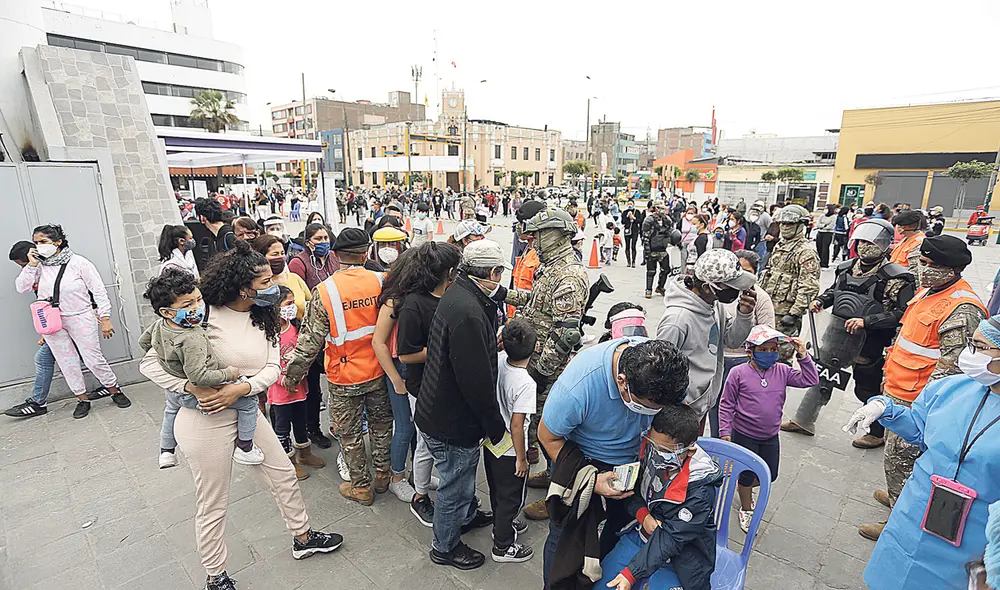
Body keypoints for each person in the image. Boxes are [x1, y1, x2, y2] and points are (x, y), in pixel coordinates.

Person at [138, 242, 343, 589]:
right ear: (241, 285)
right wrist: (190, 388)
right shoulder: (201, 314)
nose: (273, 285)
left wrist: (242, 389)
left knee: (284, 475)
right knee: (213, 502)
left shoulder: (265, 317)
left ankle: (303, 538)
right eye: (264, 281)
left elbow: (272, 367)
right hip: (204, 420)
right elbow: (148, 364)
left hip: (246, 411)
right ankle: (215, 576)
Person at [843, 319, 1000, 590]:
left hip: (972, 536)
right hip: (915, 511)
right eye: (970, 344)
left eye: (980, 347)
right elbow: (920, 427)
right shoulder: (952, 389)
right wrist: (884, 408)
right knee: (889, 576)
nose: (969, 353)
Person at [859, 234, 987, 541]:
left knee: (903, 459)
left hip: (918, 402)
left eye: (929, 264)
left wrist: (926, 408)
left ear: (950, 269)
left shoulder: (962, 308)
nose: (922, 268)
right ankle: (895, 497)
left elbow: (953, 369)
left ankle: (900, 520)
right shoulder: (928, 292)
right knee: (894, 457)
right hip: (898, 390)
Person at [538, 339, 690, 585]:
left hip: (631, 464)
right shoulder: (578, 387)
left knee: (616, 529)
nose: (648, 415)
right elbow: (547, 436)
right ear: (622, 382)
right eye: (646, 407)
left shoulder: (664, 373)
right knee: (566, 536)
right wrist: (590, 479)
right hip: (581, 461)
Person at [414, 240, 510, 570]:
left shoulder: (461, 293)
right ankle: (445, 546)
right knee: (455, 486)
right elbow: (476, 381)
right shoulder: (467, 311)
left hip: (437, 409)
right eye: (499, 273)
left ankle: (465, 516)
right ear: (493, 272)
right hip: (451, 420)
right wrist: (494, 425)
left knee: (460, 481)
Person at [781, 218, 915, 448]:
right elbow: (836, 291)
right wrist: (821, 300)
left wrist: (867, 321)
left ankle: (876, 432)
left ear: (883, 244)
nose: (864, 246)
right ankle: (804, 420)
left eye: (870, 242)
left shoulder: (897, 277)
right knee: (823, 376)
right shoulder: (845, 268)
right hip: (837, 334)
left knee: (868, 386)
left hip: (871, 341)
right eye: (861, 241)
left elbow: (903, 313)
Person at [283, 227, 393, 506]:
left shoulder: (325, 291)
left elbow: (309, 342)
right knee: (381, 425)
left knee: (350, 433)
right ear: (366, 252)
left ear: (335, 254)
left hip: (344, 375)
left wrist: (292, 377)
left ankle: (361, 487)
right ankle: (383, 475)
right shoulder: (383, 281)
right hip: (380, 370)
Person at [498, 208, 589, 519]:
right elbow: (538, 303)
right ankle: (552, 477)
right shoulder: (550, 268)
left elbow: (567, 334)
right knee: (541, 427)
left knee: (552, 430)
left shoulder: (568, 275)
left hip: (550, 369)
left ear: (558, 234)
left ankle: (558, 495)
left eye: (539, 234)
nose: (533, 241)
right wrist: (502, 294)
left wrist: (539, 373)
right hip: (537, 361)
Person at [139, 268, 263, 469]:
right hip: (197, 393)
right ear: (167, 311)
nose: (198, 307)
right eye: (188, 304)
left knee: (170, 410)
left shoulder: (161, 324)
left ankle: (167, 452)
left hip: (174, 391)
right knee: (249, 403)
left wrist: (167, 356)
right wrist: (229, 373)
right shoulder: (192, 337)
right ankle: (246, 448)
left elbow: (144, 342)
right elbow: (199, 377)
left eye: (198, 300)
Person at [598, 404, 721, 590]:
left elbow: (672, 539)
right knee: (603, 584)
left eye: (665, 451)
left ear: (690, 451)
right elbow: (633, 492)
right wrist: (643, 516)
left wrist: (631, 574)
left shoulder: (701, 492)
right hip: (641, 535)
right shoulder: (648, 454)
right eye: (653, 445)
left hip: (682, 557)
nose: (656, 454)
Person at [14, 225, 130, 419]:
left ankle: (114, 390)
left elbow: (99, 290)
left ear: (57, 242)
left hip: (80, 316)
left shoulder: (79, 263)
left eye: (43, 241)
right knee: (67, 362)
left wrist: (105, 318)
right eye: (36, 242)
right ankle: (82, 399)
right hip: (52, 321)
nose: (39, 246)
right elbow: (22, 288)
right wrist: (31, 265)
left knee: (93, 358)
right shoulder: (38, 266)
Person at [719, 326, 817, 532]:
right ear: (750, 351)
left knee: (770, 474)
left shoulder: (782, 371)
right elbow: (726, 404)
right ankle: (746, 507)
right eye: (763, 350)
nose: (770, 354)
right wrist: (725, 433)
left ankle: (742, 486)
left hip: (770, 435)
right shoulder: (738, 373)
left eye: (773, 349)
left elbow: (810, 380)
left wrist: (803, 355)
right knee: (747, 474)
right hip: (744, 435)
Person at [395, 242, 460, 526]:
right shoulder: (414, 305)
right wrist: (443, 349)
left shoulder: (452, 295)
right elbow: (406, 353)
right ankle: (420, 496)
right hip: (423, 387)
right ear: (445, 272)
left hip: (449, 384)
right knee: (424, 442)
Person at [655, 249, 757, 425]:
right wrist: (674, 403)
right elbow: (658, 370)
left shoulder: (714, 305)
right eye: (731, 286)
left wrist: (744, 315)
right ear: (707, 287)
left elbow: (732, 340)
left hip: (701, 405)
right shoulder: (677, 320)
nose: (737, 291)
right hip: (680, 411)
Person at [707, 249, 775, 437]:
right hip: (718, 359)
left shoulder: (759, 297)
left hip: (744, 362)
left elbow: (767, 333)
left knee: (742, 413)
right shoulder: (720, 295)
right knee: (718, 409)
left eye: (747, 272)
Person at [487, 318, 537, 564]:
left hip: (492, 442)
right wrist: (521, 458)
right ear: (534, 348)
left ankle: (501, 522)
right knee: (512, 496)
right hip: (511, 451)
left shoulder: (497, 361)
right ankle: (503, 545)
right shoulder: (526, 383)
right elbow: (517, 425)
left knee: (498, 491)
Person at [372, 247, 420, 504]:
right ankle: (397, 477)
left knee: (418, 426)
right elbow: (378, 342)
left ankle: (416, 472)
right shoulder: (394, 301)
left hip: (414, 368)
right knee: (404, 426)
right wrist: (395, 379)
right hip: (399, 368)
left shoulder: (417, 296)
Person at [287, 222, 339, 449]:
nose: (323, 243)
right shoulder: (298, 263)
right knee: (313, 388)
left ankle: (337, 425)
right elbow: (298, 296)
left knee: (335, 382)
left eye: (325, 238)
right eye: (318, 239)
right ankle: (313, 428)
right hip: (311, 329)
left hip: (335, 330)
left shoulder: (333, 258)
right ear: (308, 241)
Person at [759, 204, 821, 361]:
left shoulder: (805, 252)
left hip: (786, 313)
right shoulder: (780, 245)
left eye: (790, 224)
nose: (785, 227)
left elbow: (809, 286)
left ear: (800, 226)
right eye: (782, 223)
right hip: (769, 308)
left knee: (781, 356)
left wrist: (794, 313)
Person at [4, 241, 58, 418]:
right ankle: (110, 387)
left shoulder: (50, 268)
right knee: (84, 355)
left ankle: (38, 402)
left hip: (66, 321)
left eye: (22, 264)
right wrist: (45, 331)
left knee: (43, 359)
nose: (22, 268)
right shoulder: (34, 271)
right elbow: (24, 289)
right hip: (55, 323)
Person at [251, 235, 310, 320]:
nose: (280, 257)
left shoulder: (294, 278)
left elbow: (311, 304)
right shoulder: (258, 285)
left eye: (282, 253)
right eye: (275, 254)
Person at [507, 200, 547, 320]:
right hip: (517, 316)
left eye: (521, 223)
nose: (518, 228)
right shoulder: (528, 249)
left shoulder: (541, 257)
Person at [641, 201, 676, 299]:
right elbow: (645, 237)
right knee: (651, 271)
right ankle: (648, 289)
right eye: (659, 208)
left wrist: (676, 241)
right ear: (655, 208)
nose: (662, 210)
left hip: (663, 249)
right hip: (652, 249)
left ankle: (660, 287)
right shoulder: (649, 220)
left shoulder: (666, 220)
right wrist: (647, 251)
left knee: (666, 269)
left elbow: (670, 232)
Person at [889, 210, 926, 280]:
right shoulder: (906, 239)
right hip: (893, 276)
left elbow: (915, 274)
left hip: (902, 281)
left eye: (898, 225)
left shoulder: (919, 245)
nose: (896, 227)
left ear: (904, 227)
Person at [815, 204, 838, 268]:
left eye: (826, 208)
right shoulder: (822, 216)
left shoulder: (833, 217)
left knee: (825, 248)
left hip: (828, 234)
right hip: (820, 233)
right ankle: (819, 261)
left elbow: (830, 226)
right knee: (819, 247)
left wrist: (823, 226)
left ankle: (824, 263)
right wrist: (823, 225)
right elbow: (818, 224)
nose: (825, 210)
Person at [621, 202, 641, 268]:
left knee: (633, 246)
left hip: (634, 230)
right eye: (628, 204)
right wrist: (627, 216)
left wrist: (633, 217)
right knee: (627, 246)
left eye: (631, 204)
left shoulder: (637, 212)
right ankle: (628, 261)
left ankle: (633, 261)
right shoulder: (624, 212)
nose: (630, 205)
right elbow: (623, 222)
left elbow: (639, 221)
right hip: (627, 230)